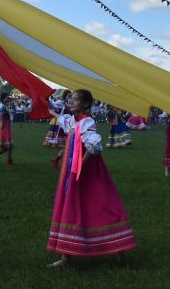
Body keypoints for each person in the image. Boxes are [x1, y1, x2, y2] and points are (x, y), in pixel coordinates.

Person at [47, 89, 136, 268]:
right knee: (70, 206)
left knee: (100, 206)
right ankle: (66, 257)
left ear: (86, 104)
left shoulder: (87, 122)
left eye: (75, 100)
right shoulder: (72, 120)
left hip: (87, 171)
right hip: (72, 169)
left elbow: (93, 146)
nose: (71, 102)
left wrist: (80, 166)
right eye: (70, 99)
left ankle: (119, 246)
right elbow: (60, 118)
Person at [45, 91, 70, 168]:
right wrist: (47, 100)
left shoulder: (71, 104)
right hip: (64, 127)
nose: (70, 97)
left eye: (71, 96)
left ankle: (57, 159)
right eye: (69, 96)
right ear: (65, 97)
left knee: (67, 146)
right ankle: (59, 160)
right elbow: (53, 107)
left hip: (70, 126)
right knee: (67, 146)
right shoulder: (62, 104)